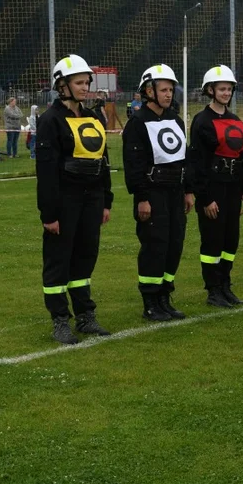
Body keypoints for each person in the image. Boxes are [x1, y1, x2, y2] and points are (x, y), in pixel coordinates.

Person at [36, 54, 114, 344]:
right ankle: (60, 320)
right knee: (59, 260)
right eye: (79, 83)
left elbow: (102, 160)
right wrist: (49, 213)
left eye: (86, 82)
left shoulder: (93, 117)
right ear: (62, 85)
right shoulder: (50, 120)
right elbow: (46, 171)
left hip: (92, 198)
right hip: (65, 198)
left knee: (85, 258)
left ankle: (85, 316)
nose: (85, 87)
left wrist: (106, 200)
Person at [123, 64, 191, 321]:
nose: (168, 94)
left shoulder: (175, 120)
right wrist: (142, 197)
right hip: (152, 193)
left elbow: (185, 158)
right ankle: (150, 301)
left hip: (175, 191)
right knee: (155, 245)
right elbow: (134, 165)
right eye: (163, 89)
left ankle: (165, 296)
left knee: (175, 244)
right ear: (148, 91)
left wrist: (188, 191)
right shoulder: (137, 123)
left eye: (170, 89)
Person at [186, 65, 243, 308]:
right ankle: (213, 289)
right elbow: (197, 163)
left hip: (233, 188)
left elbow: (242, 158)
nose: (226, 93)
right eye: (221, 89)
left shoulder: (236, 121)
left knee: (230, 240)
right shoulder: (202, 121)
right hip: (213, 189)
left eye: (229, 89)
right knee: (212, 241)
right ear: (210, 90)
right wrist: (205, 198)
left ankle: (225, 285)